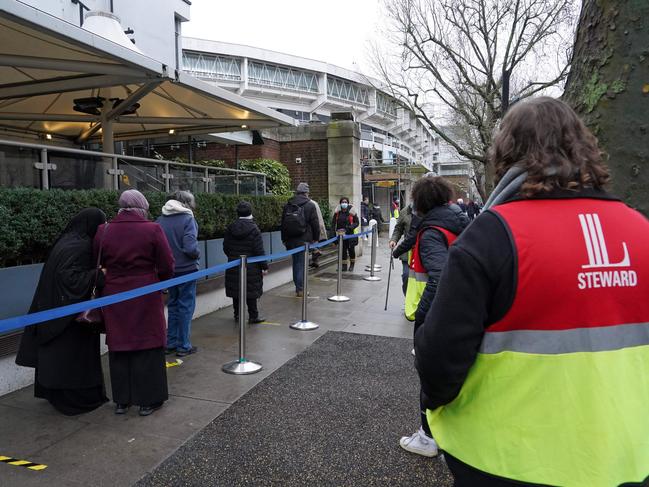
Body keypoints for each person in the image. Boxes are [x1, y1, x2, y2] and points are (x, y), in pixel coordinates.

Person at [415, 97, 649, 486]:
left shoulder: (492, 235)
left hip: (507, 459)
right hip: (626, 455)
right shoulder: (640, 230)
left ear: (506, 153)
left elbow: (440, 358)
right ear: (585, 148)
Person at [396, 177, 467, 458]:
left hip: (438, 312)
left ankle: (427, 436)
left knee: (429, 374)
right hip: (461, 306)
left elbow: (437, 276)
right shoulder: (455, 220)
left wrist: (424, 314)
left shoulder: (432, 231)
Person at [15, 209, 109, 416]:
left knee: (57, 359)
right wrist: (98, 274)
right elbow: (70, 279)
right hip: (68, 320)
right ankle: (77, 400)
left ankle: (54, 395)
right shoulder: (81, 246)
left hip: (53, 312)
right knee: (72, 360)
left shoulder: (66, 241)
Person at [98, 190, 174, 417]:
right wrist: (159, 282)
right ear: (142, 207)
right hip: (145, 292)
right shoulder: (152, 228)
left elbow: (98, 260)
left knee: (119, 344)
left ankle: (122, 400)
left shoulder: (104, 230)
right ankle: (148, 400)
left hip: (114, 293)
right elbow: (167, 264)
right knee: (148, 344)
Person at [157, 191, 200, 358]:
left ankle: (171, 342)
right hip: (187, 269)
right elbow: (191, 248)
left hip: (168, 271)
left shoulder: (160, 220)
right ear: (186, 203)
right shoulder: (188, 218)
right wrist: (197, 254)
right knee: (186, 307)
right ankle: (184, 345)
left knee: (173, 305)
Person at [223, 201, 268, 324]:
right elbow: (259, 250)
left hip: (234, 263)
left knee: (236, 290)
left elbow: (226, 247)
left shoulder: (230, 227)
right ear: (251, 212)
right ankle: (253, 316)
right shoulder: (255, 229)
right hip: (251, 265)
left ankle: (237, 314)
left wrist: (232, 256)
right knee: (251, 291)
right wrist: (264, 266)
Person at [281, 182, 320, 297]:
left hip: (291, 239)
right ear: (306, 192)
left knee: (296, 263)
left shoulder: (288, 204)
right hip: (304, 239)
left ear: (297, 192)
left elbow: (283, 223)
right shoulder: (310, 205)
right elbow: (315, 224)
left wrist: (284, 239)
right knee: (301, 264)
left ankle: (298, 287)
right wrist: (316, 239)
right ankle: (301, 289)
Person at [389, 204, 413, 295]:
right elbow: (398, 229)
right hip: (407, 250)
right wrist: (394, 240)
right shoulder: (405, 211)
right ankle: (407, 298)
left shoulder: (429, 209)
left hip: (424, 251)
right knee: (406, 275)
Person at [331, 197, 359, 272]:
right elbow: (333, 224)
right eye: (342, 202)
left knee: (351, 251)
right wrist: (333, 235)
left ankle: (352, 265)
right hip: (340, 235)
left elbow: (357, 223)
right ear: (340, 204)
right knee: (342, 251)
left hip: (350, 235)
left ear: (348, 203)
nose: (344, 203)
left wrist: (350, 227)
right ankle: (344, 266)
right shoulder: (337, 213)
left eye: (345, 202)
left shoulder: (352, 212)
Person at [309, 199, 328, 269]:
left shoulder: (309, 204)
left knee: (313, 243)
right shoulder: (314, 203)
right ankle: (315, 261)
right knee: (315, 243)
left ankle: (316, 252)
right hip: (318, 227)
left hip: (314, 228)